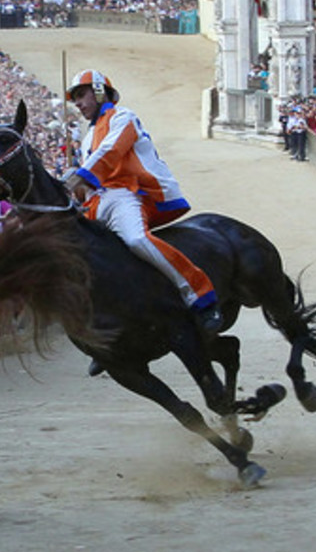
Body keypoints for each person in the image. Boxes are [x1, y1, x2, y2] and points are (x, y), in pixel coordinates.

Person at [64, 69, 221, 346]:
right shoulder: (86, 137)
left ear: (99, 91)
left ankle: (200, 295)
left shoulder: (123, 117)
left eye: (81, 95)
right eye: (75, 98)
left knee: (136, 239)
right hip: (97, 202)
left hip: (127, 193)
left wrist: (75, 177)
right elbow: (87, 179)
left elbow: (110, 153)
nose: (77, 103)